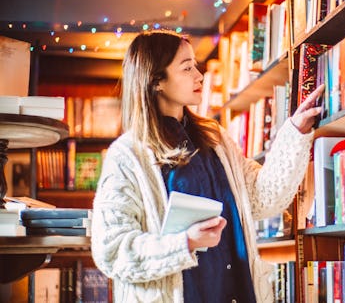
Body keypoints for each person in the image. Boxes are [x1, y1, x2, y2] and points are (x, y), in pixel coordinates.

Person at [91, 30, 324, 303]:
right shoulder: (127, 156)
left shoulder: (216, 139)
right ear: (156, 82)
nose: (199, 75)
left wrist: (295, 131)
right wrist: (184, 243)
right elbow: (112, 251)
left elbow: (263, 199)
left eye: (196, 66)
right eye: (187, 68)